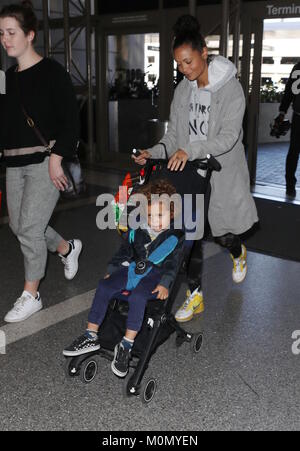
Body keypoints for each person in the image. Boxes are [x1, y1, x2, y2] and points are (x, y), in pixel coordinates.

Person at [133, 15, 258, 323]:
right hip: (189, 173)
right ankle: (195, 295)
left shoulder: (231, 90)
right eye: (178, 64)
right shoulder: (183, 91)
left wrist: (191, 150)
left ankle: (238, 252)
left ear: (204, 52)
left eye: (188, 62)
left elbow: (228, 137)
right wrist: (153, 153)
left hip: (221, 170)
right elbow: (174, 136)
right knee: (189, 234)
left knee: (222, 232)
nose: (183, 70)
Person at [0, 1, 82, 323]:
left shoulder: (52, 72)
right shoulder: (5, 78)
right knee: (20, 227)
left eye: (11, 32)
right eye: (1, 33)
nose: (5, 39)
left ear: (29, 34)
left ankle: (31, 294)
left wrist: (56, 158)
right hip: (15, 165)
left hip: (45, 162)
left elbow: (71, 121)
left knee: (30, 229)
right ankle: (66, 248)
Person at [63, 179, 185, 378]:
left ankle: (126, 344)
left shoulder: (174, 237)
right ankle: (90, 334)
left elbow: (173, 265)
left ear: (172, 213)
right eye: (151, 215)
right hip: (133, 269)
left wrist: (164, 284)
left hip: (155, 275)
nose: (155, 221)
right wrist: (113, 268)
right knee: (104, 286)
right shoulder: (136, 231)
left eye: (160, 215)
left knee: (138, 297)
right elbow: (125, 252)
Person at [276, 62, 300, 198]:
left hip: (298, 116)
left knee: (293, 152)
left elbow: (289, 92)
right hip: (298, 116)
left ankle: (290, 186)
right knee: (293, 153)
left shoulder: (297, 67)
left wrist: (282, 112)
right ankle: (290, 185)